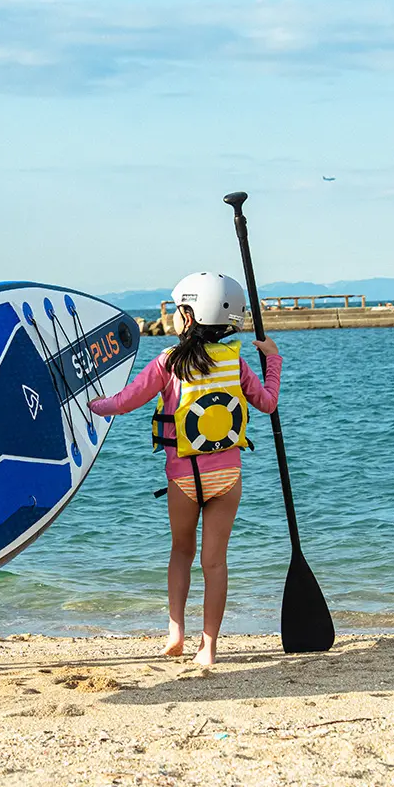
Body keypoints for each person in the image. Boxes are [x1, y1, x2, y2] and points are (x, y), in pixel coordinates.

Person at [88, 272, 281, 665]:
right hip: (227, 479)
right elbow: (267, 402)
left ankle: (175, 632)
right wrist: (273, 360)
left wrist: (94, 404)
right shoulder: (236, 362)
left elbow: (125, 401)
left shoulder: (167, 363)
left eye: (178, 310)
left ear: (189, 317)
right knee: (215, 562)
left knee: (181, 552)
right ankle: (207, 648)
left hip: (183, 478)